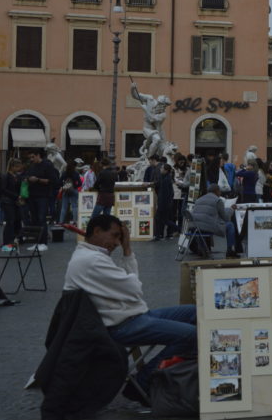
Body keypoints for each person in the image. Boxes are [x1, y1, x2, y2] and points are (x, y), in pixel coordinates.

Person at [64, 214, 196, 392]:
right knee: (191, 335)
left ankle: (187, 372)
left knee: (195, 312)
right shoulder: (92, 261)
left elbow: (130, 289)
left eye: (120, 237)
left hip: (133, 315)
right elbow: (135, 289)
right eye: (114, 235)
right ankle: (144, 381)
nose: (117, 242)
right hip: (120, 325)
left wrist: (128, 280)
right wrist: (127, 251)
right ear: (96, 231)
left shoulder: (92, 255)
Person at [191, 184, 241, 258]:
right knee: (230, 225)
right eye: (220, 191)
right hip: (208, 227)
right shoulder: (218, 200)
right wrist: (231, 209)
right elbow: (226, 217)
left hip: (196, 227)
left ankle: (203, 249)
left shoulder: (198, 200)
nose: (220, 193)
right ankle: (230, 250)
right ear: (217, 191)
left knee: (208, 223)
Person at [24, 149, 59, 250]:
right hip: (32, 195)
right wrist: (27, 178)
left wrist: (38, 179)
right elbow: (26, 175)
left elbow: (54, 180)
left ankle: (43, 242)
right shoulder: (32, 166)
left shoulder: (47, 166)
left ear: (38, 155)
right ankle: (36, 242)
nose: (31, 159)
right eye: (30, 157)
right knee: (34, 219)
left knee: (41, 218)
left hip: (43, 196)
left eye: (33, 157)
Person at [0, 159, 24, 253]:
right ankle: (6, 242)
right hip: (7, 202)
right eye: (18, 167)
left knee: (17, 220)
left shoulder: (16, 176)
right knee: (10, 221)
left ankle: (14, 239)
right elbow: (3, 189)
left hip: (14, 202)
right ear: (13, 167)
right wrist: (16, 196)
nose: (19, 168)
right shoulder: (5, 176)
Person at [152, 163, 180, 240]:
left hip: (164, 204)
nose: (160, 169)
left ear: (166, 170)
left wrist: (161, 205)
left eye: (162, 168)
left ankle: (178, 229)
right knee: (164, 220)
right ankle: (160, 235)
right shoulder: (164, 177)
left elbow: (166, 194)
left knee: (160, 219)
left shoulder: (166, 180)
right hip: (165, 203)